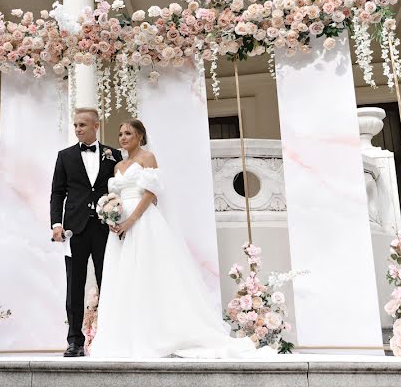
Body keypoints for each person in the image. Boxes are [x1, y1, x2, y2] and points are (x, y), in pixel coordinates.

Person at [89, 119, 275, 358]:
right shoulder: (118, 166)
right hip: (120, 231)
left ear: (140, 137)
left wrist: (131, 220)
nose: (123, 137)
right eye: (120, 133)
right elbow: (115, 195)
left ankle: (157, 333)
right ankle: (127, 335)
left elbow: (150, 194)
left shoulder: (147, 158)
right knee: (124, 276)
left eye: (128, 133)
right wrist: (112, 216)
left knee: (147, 272)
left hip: (142, 222)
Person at [50, 108, 123, 357]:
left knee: (109, 283)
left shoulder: (114, 154)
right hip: (74, 229)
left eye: (82, 125)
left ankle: (112, 337)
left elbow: (121, 188)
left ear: (96, 125)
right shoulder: (65, 156)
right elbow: (57, 193)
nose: (78, 129)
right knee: (75, 286)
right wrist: (56, 225)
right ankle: (75, 341)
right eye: (75, 125)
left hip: (105, 229)